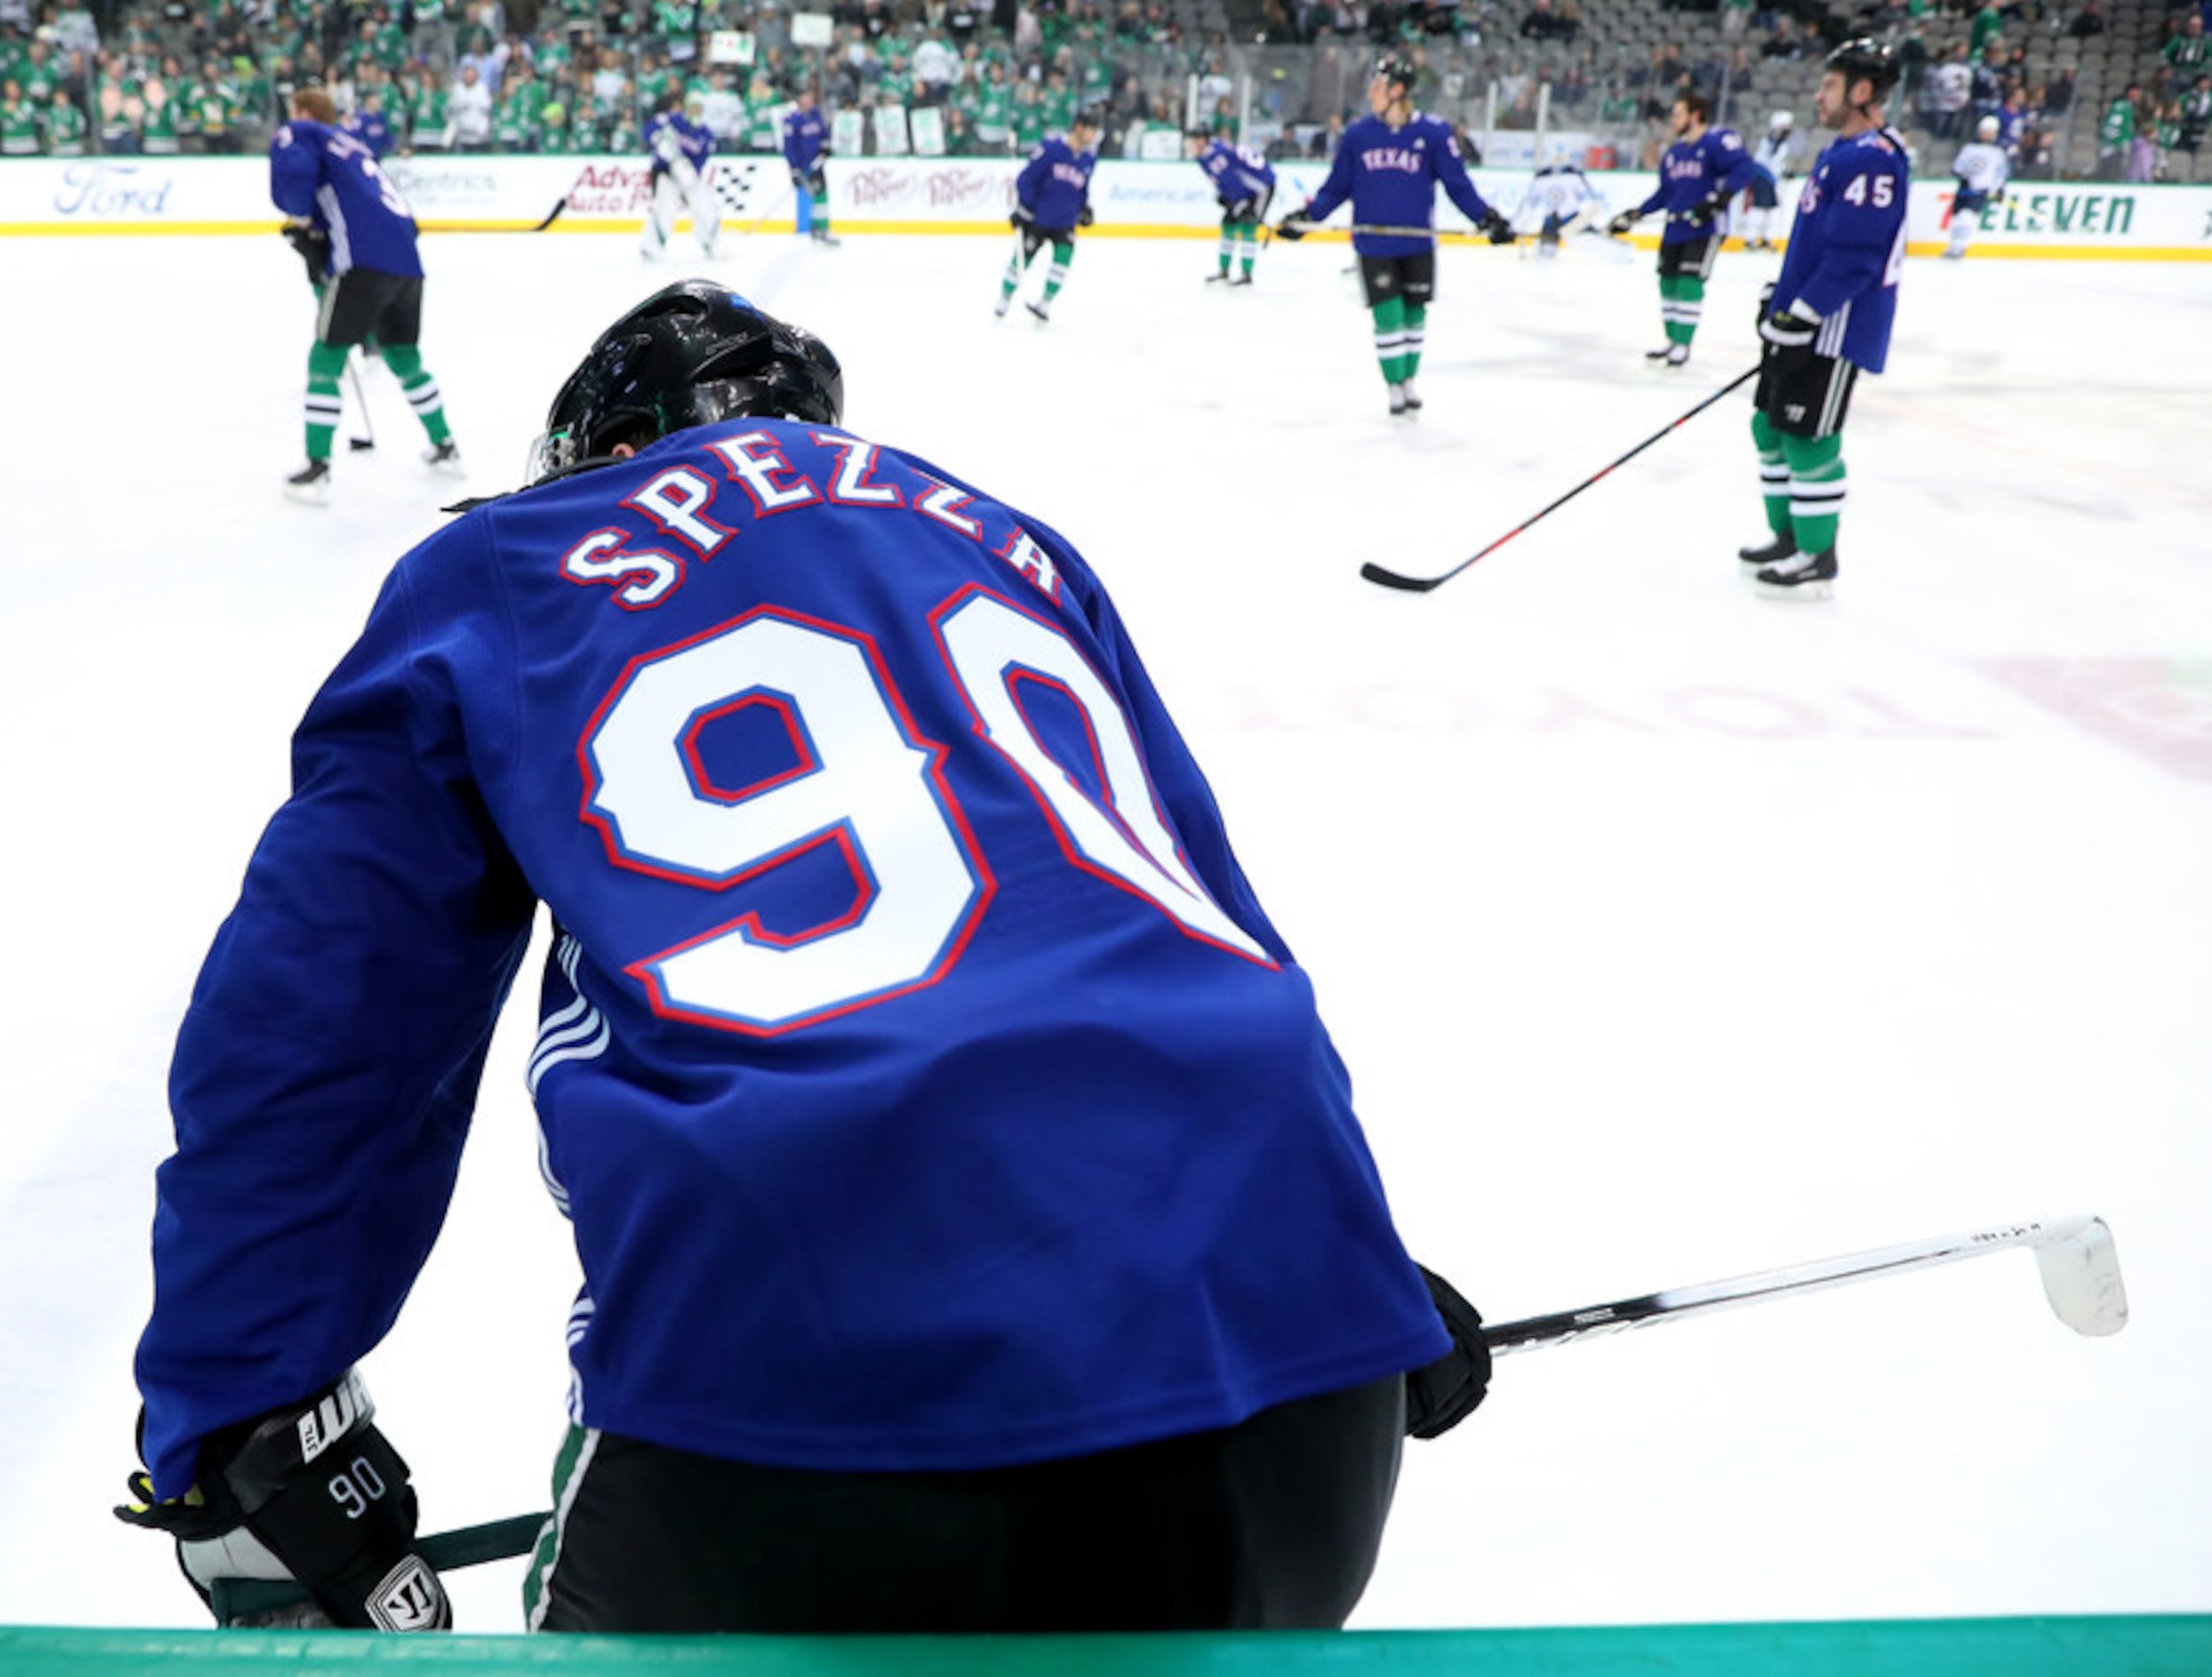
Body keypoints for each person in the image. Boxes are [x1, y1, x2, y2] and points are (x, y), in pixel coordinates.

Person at [114, 279, 1493, 1635]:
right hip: (1288, 1365)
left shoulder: (507, 563)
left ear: (596, 450)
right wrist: (1340, 1261)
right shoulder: (1007, 538)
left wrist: (241, 1412)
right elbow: (1181, 909)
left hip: (806, 1376)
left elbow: (325, 1014)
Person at [1741, 38, 1910, 599]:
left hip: (1831, 328)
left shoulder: (1875, 159)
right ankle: (1788, 537)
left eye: (1831, 86)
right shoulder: (1841, 153)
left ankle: (1817, 554)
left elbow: (1857, 257)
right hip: (1801, 318)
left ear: (1863, 92)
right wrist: (1783, 294)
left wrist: (1807, 309)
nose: (1819, 95)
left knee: (1809, 437)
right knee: (1769, 426)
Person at [1274, 56, 1516, 417]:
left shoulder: (1433, 134)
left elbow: (1458, 186)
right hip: (1374, 244)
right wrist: (1307, 218)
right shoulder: (1358, 136)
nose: (1370, 93)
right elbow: (1337, 188)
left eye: (1377, 86)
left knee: (1414, 316)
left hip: (1417, 243)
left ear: (1397, 90)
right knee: (1388, 315)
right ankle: (1393, 385)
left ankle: (1408, 382)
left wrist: (1488, 219)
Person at [268, 87, 461, 503]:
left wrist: (302, 227)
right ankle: (446, 445)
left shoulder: (308, 133)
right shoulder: (354, 148)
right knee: (405, 357)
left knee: (326, 357)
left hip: (362, 265)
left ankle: (316, 468)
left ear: (302, 112)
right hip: (407, 265)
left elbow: (296, 197)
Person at [1605, 88, 1772, 368]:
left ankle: (1683, 345)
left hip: (1705, 229)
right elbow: (1664, 195)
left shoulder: (1717, 141)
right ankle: (1672, 342)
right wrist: (1635, 214)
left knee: (1688, 282)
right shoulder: (1674, 153)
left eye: (1678, 114)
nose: (1673, 119)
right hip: (1675, 229)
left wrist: (1720, 199)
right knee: (1667, 282)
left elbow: (1744, 169)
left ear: (1696, 115)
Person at [996, 108, 1099, 322]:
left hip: (1065, 222)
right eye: (1091, 130)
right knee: (1021, 261)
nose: (1094, 136)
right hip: (1038, 219)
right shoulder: (1051, 149)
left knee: (1062, 262)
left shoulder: (1089, 158)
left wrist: (1083, 208)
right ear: (1079, 127)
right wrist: (1024, 208)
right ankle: (1004, 298)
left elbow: (1082, 189)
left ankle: (1044, 304)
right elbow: (1026, 179)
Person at [1184, 127, 1275, 285]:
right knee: (1228, 224)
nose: (1188, 147)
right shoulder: (1206, 155)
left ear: (1201, 141)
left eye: (1191, 143)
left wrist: (1240, 202)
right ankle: (1224, 270)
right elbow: (1225, 179)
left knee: (1248, 226)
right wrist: (1227, 197)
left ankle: (1247, 273)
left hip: (1260, 188)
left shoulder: (1215, 155)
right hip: (1244, 190)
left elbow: (1235, 178)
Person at [641, 90, 719, 261]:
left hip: (687, 176)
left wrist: (690, 173)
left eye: (699, 108)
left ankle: (711, 242)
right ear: (686, 107)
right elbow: (649, 129)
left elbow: (701, 160)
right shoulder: (673, 120)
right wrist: (658, 141)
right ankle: (651, 246)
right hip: (666, 173)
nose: (696, 111)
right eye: (693, 107)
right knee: (666, 207)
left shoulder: (706, 134)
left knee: (704, 205)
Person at [1943, 113, 2011, 260]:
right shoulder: (1969, 148)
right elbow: (1957, 168)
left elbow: (2001, 173)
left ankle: (1960, 246)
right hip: (1965, 188)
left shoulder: (1998, 152)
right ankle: (1954, 245)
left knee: (1967, 217)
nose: (1987, 135)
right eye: (1985, 131)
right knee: (1958, 217)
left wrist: (1999, 189)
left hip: (1981, 191)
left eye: (1990, 132)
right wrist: (1963, 176)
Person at [1739, 107, 1803, 251]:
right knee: (1759, 208)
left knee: (1771, 209)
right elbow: (1770, 158)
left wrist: (1784, 171)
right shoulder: (1773, 139)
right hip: (1764, 176)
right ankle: (1750, 237)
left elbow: (1778, 161)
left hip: (1771, 177)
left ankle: (1766, 237)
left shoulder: (1780, 141)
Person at [781, 86, 837, 245]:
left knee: (822, 195)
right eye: (806, 97)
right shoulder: (792, 120)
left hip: (817, 164)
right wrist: (794, 169)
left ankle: (820, 228)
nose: (810, 101)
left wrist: (826, 148)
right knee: (817, 196)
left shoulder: (815, 115)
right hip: (804, 167)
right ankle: (818, 228)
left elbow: (823, 135)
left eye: (811, 98)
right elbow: (789, 147)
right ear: (800, 100)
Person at [1518, 159, 1604, 256]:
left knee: (1546, 255)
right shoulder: (1574, 178)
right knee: (1594, 243)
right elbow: (1586, 199)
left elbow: (1531, 204)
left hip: (1550, 222)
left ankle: (1545, 255)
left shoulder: (1540, 181)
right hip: (1571, 220)